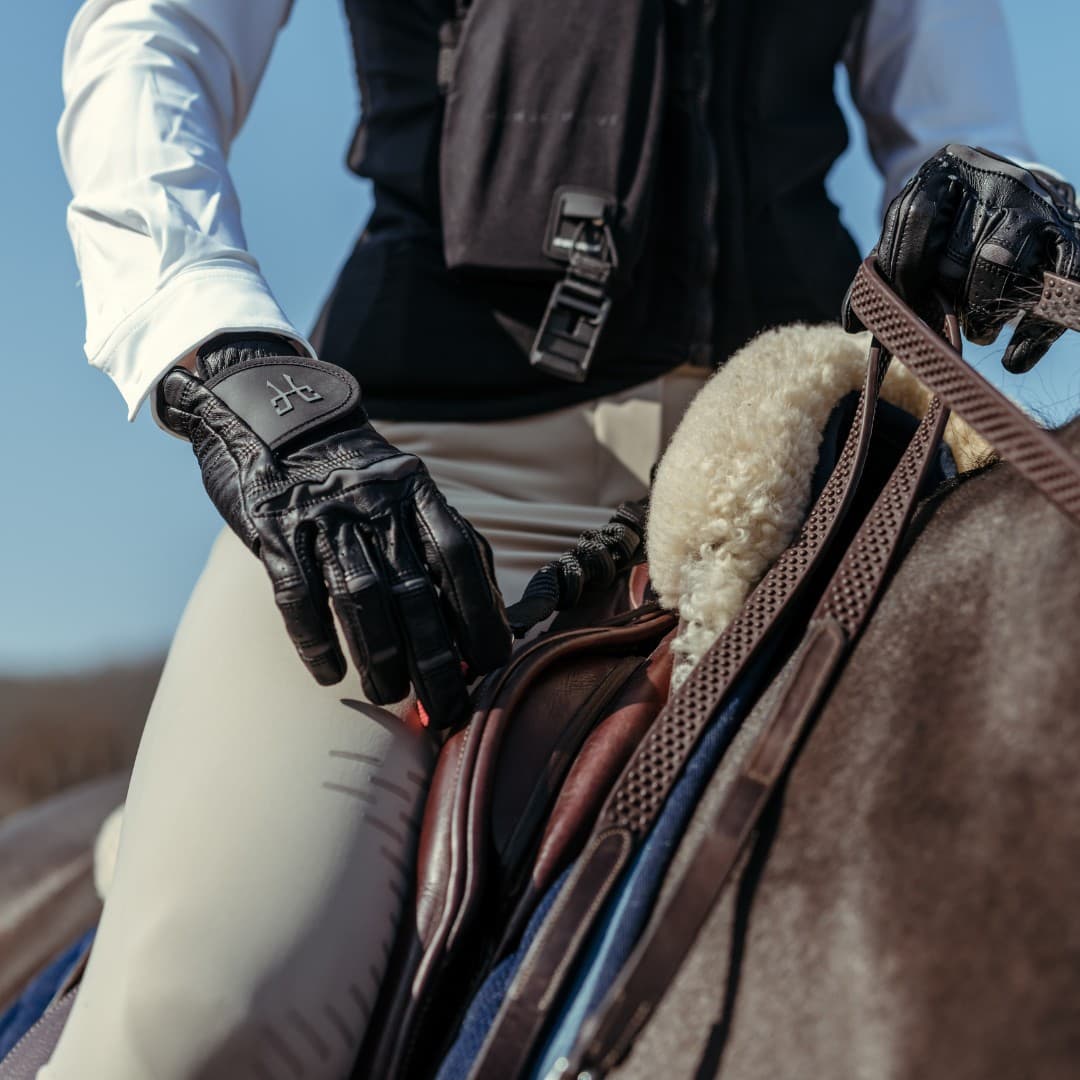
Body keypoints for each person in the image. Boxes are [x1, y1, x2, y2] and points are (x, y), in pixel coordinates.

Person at [43, 0, 1080, 1076]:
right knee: (207, 1019)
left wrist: (993, 198)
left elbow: (963, 120)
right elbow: (153, 38)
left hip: (801, 450)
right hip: (422, 483)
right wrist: (227, 357)